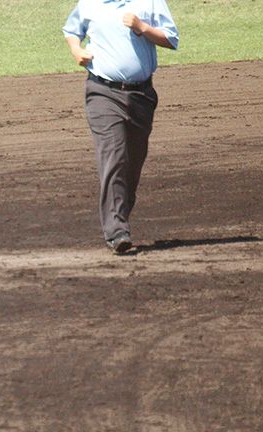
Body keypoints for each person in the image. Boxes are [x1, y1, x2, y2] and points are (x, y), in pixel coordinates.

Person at [63, 0, 179, 254]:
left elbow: (171, 39)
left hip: (142, 96)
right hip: (102, 93)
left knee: (133, 163)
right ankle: (116, 231)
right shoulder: (90, 4)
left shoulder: (150, 2)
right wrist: (76, 50)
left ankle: (119, 215)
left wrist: (142, 28)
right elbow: (71, 30)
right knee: (114, 156)